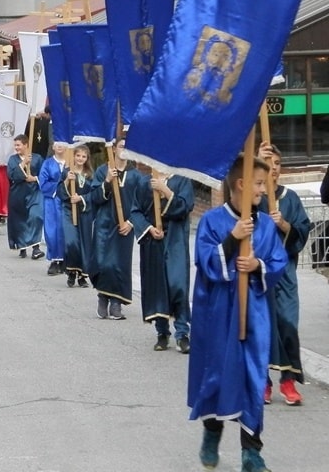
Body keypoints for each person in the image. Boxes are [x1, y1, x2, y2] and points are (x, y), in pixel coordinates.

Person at [189, 155, 287, 472]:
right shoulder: (212, 221)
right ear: (242, 184)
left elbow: (277, 261)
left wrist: (258, 265)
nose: (264, 189)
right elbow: (205, 261)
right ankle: (212, 432)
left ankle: (251, 453)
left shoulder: (268, 225)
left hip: (253, 314)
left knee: (253, 378)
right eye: (259, 183)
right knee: (217, 375)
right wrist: (233, 239)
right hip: (218, 314)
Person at [257, 142, 311, 405]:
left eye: (277, 164)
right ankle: (264, 382)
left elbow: (302, 230)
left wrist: (283, 224)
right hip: (260, 274)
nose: (273, 169)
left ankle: (288, 381)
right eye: (268, 164)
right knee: (263, 327)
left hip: (286, 273)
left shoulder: (290, 197)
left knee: (288, 323)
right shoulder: (254, 197)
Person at [130, 169, 195, 353]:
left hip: (175, 240)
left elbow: (185, 205)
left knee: (178, 284)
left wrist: (165, 190)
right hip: (153, 242)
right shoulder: (144, 183)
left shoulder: (182, 180)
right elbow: (135, 211)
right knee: (157, 285)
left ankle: (182, 333)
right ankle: (162, 332)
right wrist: (149, 228)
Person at [89, 139, 143, 320]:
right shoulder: (102, 171)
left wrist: (131, 223)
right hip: (104, 224)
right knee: (103, 263)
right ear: (113, 149)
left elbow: (142, 204)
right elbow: (94, 197)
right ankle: (102, 297)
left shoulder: (136, 176)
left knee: (119, 264)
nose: (124, 150)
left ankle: (116, 303)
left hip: (124, 226)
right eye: (121, 147)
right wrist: (107, 181)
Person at [58, 144, 95, 288]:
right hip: (68, 210)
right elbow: (60, 191)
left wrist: (81, 198)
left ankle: (81, 276)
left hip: (84, 212)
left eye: (83, 156)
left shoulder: (91, 174)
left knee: (84, 243)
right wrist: (67, 180)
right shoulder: (67, 172)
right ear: (73, 156)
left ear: (87, 158)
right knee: (71, 242)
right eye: (78, 155)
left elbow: (94, 194)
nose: (80, 158)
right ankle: (71, 271)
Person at [7, 135, 45, 260]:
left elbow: (45, 174)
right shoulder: (13, 159)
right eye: (15, 145)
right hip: (18, 193)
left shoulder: (38, 158)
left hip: (34, 192)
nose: (16, 147)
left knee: (36, 216)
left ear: (26, 144)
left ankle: (36, 248)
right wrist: (23, 164)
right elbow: (11, 175)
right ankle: (22, 245)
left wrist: (35, 178)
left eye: (18, 145)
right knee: (20, 220)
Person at [39, 142, 68, 275]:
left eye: (62, 144)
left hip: (68, 201)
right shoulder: (48, 164)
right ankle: (55, 260)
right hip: (53, 200)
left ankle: (66, 260)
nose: (60, 146)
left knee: (66, 230)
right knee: (52, 230)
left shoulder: (71, 163)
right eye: (57, 144)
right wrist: (60, 186)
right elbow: (43, 183)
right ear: (53, 147)